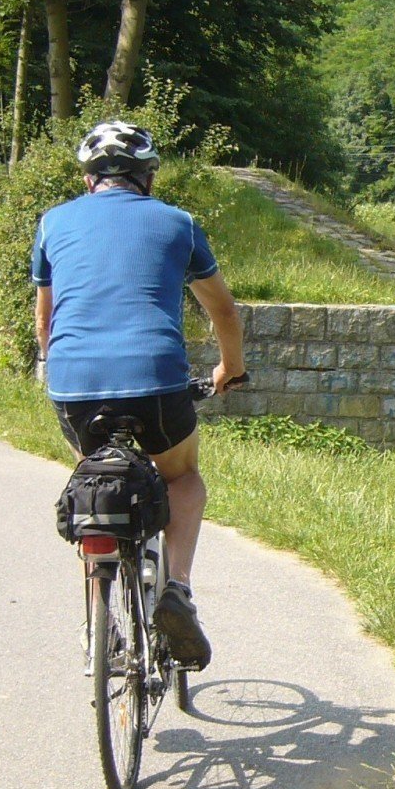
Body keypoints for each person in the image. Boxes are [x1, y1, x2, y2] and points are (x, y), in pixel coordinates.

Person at [31, 120, 245, 669]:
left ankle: (97, 620)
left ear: (88, 179)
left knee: (95, 481)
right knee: (182, 477)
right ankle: (177, 587)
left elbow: (46, 320)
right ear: (148, 176)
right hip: (155, 379)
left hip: (75, 382)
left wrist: (53, 368)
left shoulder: (53, 224)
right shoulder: (178, 223)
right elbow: (221, 309)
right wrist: (230, 368)